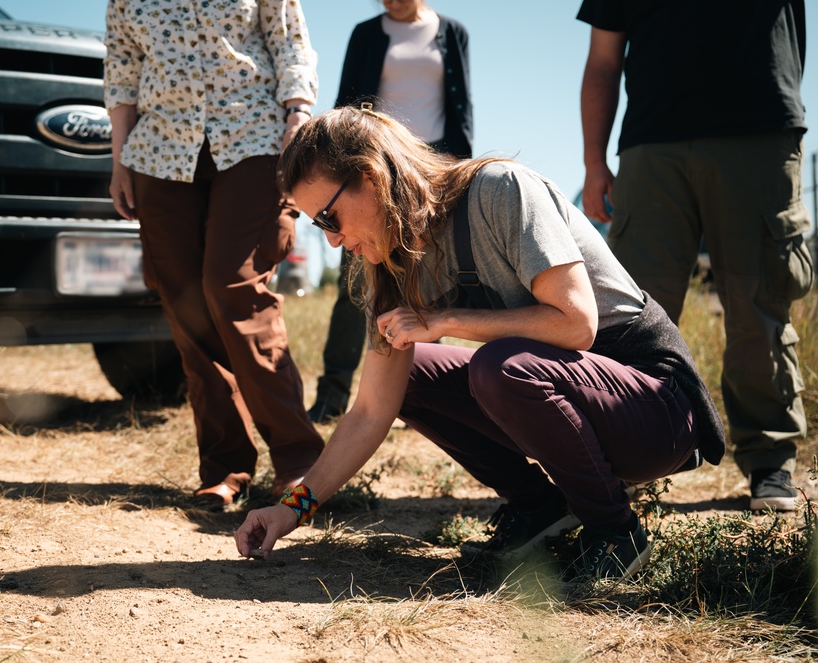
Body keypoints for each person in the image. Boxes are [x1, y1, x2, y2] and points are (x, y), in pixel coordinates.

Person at [235, 106, 726, 580]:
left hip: (658, 411)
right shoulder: (391, 264)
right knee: (412, 373)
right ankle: (540, 507)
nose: (332, 241)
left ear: (371, 177)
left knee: (501, 366)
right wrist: (291, 510)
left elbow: (577, 325)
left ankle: (615, 532)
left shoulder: (499, 190)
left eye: (329, 218)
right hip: (579, 400)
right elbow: (369, 411)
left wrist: (445, 318)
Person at [577, 0, 812, 511]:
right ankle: (622, 462)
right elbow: (603, 60)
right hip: (651, 145)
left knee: (757, 306)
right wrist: (594, 161)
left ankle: (770, 458)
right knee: (628, 316)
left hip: (759, 132)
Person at [103, 0, 325, 508]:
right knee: (185, 303)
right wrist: (119, 161)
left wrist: (298, 114)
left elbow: (289, 40)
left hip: (253, 139)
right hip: (158, 149)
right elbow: (122, 70)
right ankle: (225, 464)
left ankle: (298, 455)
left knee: (233, 285)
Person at [308, 0, 473, 424]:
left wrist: (456, 168)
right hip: (371, 172)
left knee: (431, 281)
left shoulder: (453, 32)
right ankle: (332, 396)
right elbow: (344, 108)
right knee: (356, 285)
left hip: (429, 170)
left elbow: (462, 108)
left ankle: (432, 398)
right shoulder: (366, 33)